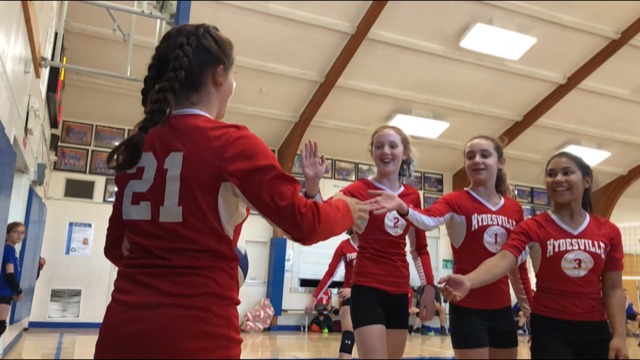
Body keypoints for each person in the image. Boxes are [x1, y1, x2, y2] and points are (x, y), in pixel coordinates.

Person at [94, 24, 369, 360]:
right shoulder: (231, 143)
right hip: (199, 336)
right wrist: (346, 208)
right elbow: (305, 224)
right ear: (219, 76)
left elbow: (114, 248)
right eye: (234, 75)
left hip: (121, 332)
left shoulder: (136, 146)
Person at [438, 151, 629, 360]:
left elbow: (613, 288)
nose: (558, 179)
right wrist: (468, 281)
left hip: (596, 329)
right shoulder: (532, 227)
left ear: (587, 180)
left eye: (567, 173)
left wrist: (619, 336)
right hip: (550, 328)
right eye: (551, 174)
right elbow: (504, 260)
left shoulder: (608, 231)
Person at [365, 136, 533, 360]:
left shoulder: (514, 209)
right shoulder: (455, 200)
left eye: (485, 155)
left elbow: (518, 266)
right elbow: (426, 220)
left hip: (501, 310)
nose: (477, 161)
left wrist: (530, 313)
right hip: (467, 309)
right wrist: (403, 207)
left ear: (500, 162)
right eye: (470, 156)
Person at [301, 127, 437, 360]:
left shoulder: (412, 196)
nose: (386, 151)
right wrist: (313, 186)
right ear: (372, 153)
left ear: (404, 153)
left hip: (399, 293)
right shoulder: (358, 190)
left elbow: (420, 249)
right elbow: (322, 215)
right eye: (379, 146)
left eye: (392, 146)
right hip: (367, 291)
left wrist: (429, 288)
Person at [305, 228, 358, 359]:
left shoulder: (371, 245)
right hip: (349, 297)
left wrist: (355, 290)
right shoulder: (344, 246)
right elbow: (330, 274)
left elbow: (375, 274)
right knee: (348, 335)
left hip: (367, 295)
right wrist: (314, 299)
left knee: (367, 340)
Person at [1, 223, 26, 337]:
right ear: (7, 233)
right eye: (15, 232)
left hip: (7, 291)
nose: (19, 235)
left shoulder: (13, 251)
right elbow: (9, 274)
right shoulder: (8, 250)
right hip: (3, 291)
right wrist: (19, 291)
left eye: (22, 233)